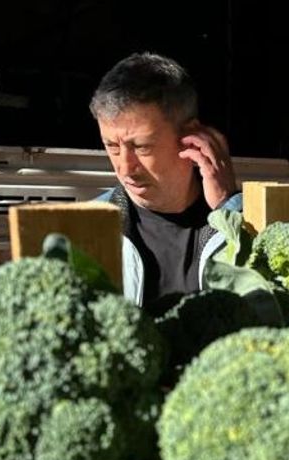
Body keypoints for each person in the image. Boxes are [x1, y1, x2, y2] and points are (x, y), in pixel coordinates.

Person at [91, 53, 242, 314]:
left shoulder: (250, 220)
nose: (125, 168)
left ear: (192, 137)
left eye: (141, 146)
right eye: (112, 146)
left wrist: (229, 207)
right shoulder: (89, 227)